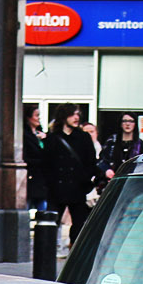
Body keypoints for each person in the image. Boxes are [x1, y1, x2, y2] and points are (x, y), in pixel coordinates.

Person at [46, 104, 97, 247]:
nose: (76, 117)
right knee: (51, 222)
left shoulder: (83, 137)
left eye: (78, 114)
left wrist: (85, 179)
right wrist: (50, 184)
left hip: (77, 188)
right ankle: (50, 250)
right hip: (57, 188)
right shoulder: (53, 138)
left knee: (79, 224)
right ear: (64, 116)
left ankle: (74, 250)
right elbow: (46, 164)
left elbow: (91, 162)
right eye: (72, 114)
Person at [98, 113, 143, 188]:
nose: (127, 124)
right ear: (121, 124)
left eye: (131, 121)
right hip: (112, 183)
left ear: (135, 124)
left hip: (132, 184)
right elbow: (102, 161)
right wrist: (107, 170)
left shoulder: (140, 144)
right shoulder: (112, 141)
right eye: (125, 121)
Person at [24, 105, 51, 212]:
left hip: (42, 178)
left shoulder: (41, 134)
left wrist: (45, 139)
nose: (38, 118)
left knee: (43, 207)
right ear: (28, 117)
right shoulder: (26, 136)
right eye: (36, 115)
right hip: (32, 175)